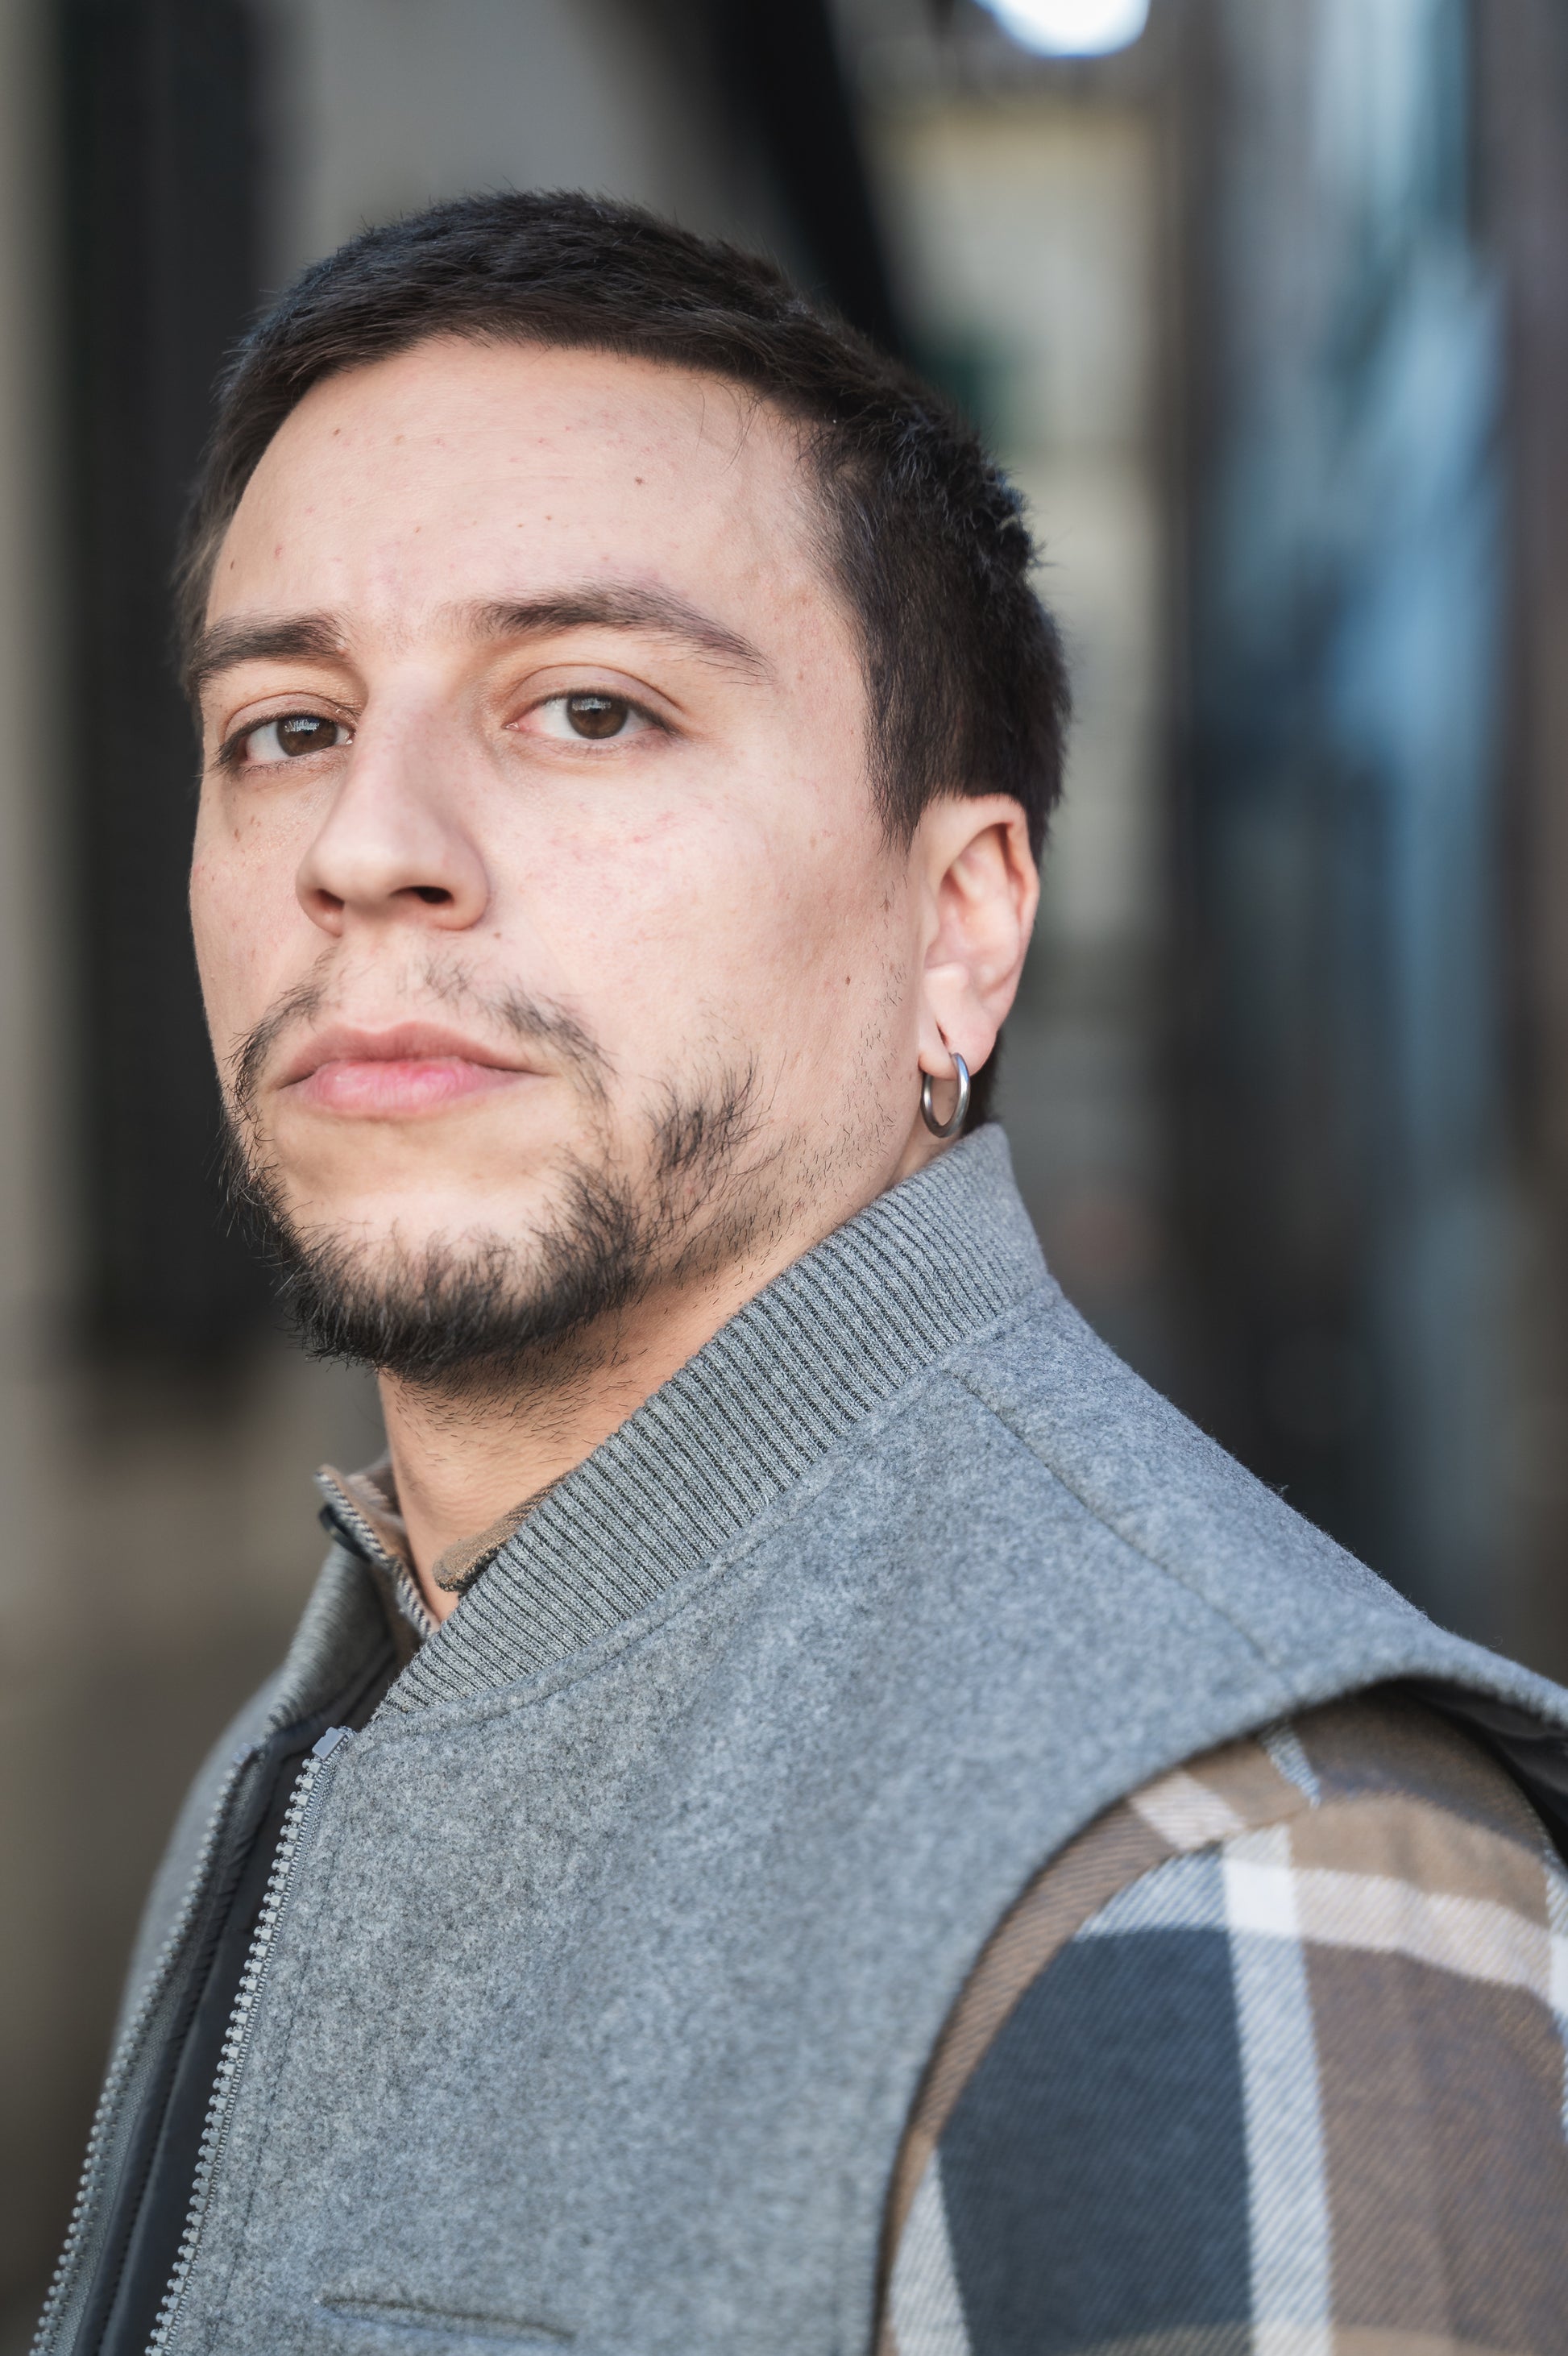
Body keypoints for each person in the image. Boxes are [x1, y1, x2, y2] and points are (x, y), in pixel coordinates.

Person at [37, 194, 1568, 2356]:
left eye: (588, 708)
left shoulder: (1215, 1873)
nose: (366, 845)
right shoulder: (345, 1725)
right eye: (285, 725)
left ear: (960, 926)